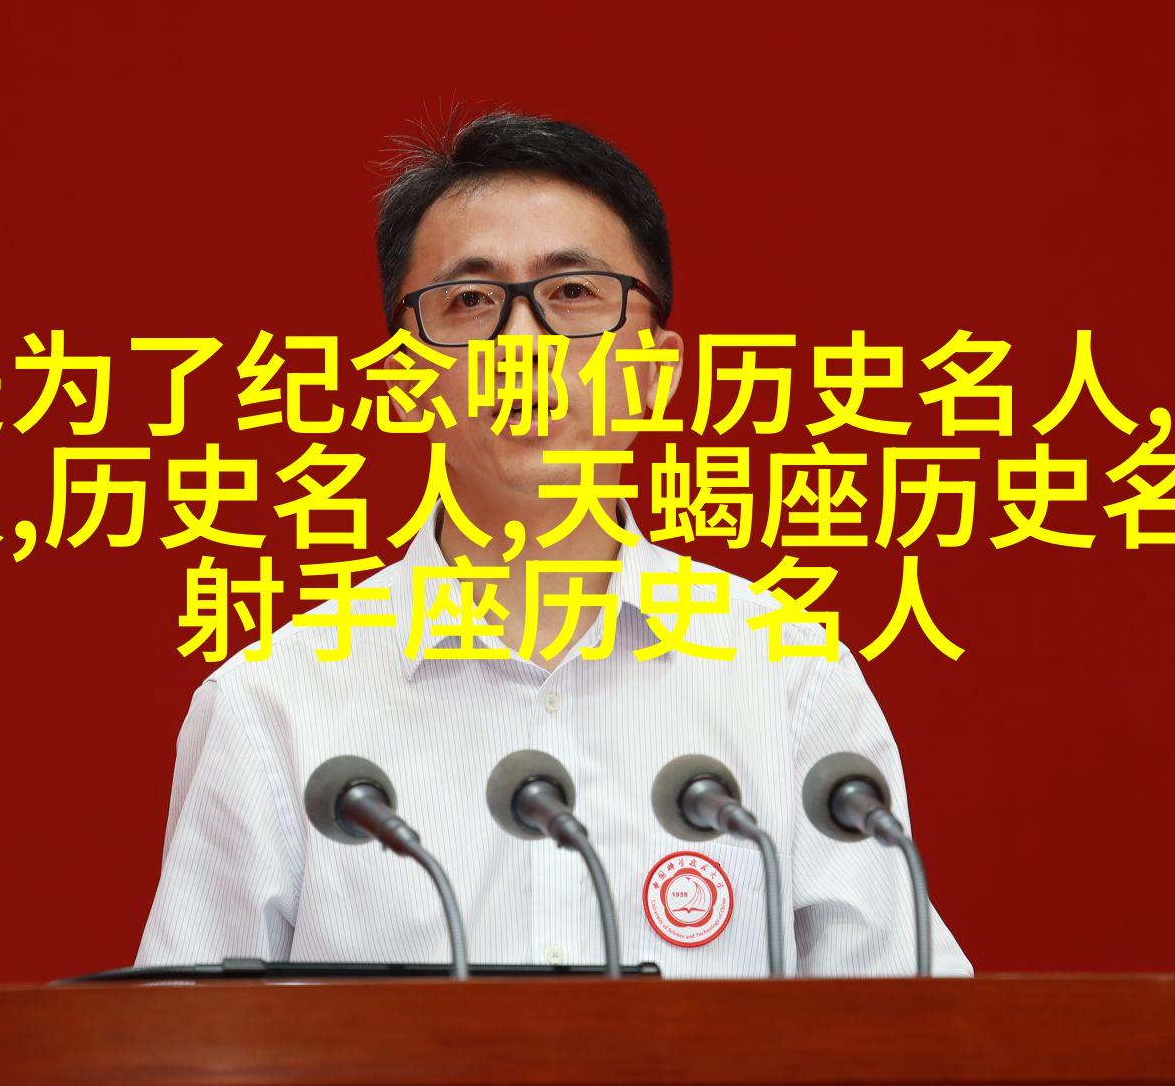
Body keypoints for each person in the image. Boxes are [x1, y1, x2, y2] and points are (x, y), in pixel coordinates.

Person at [137, 111, 972, 977]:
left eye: (573, 293)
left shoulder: (788, 677)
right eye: (470, 302)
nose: (522, 344)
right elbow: (183, 1048)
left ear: (658, 369)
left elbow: (906, 1029)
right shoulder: (275, 706)